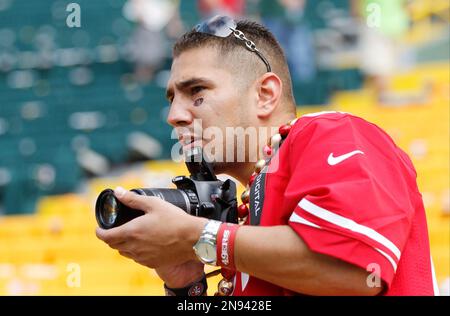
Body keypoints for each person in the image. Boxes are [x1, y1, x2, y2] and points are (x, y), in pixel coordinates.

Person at [96, 15, 438, 296]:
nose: (175, 115)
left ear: (265, 94)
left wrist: (198, 236)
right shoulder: (241, 224)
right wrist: (185, 284)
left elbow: (357, 271)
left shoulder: (331, 132)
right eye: (171, 98)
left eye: (196, 91)